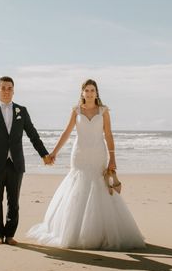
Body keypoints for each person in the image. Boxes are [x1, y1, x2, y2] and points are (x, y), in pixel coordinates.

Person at [27, 79, 145, 250]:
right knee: (78, 187)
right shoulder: (76, 110)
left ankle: (102, 233)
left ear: (97, 93)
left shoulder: (103, 111)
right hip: (80, 155)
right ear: (82, 93)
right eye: (87, 90)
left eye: (92, 90)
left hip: (98, 154)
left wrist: (113, 158)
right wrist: (53, 153)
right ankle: (73, 232)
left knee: (100, 188)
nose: (89, 93)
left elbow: (109, 135)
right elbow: (67, 133)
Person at [0, 76, 53, 245]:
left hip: (16, 164)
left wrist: (44, 154)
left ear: (14, 90)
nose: (6, 91)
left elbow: (33, 135)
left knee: (14, 201)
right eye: (3, 88)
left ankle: (10, 235)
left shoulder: (22, 111)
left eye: (9, 88)